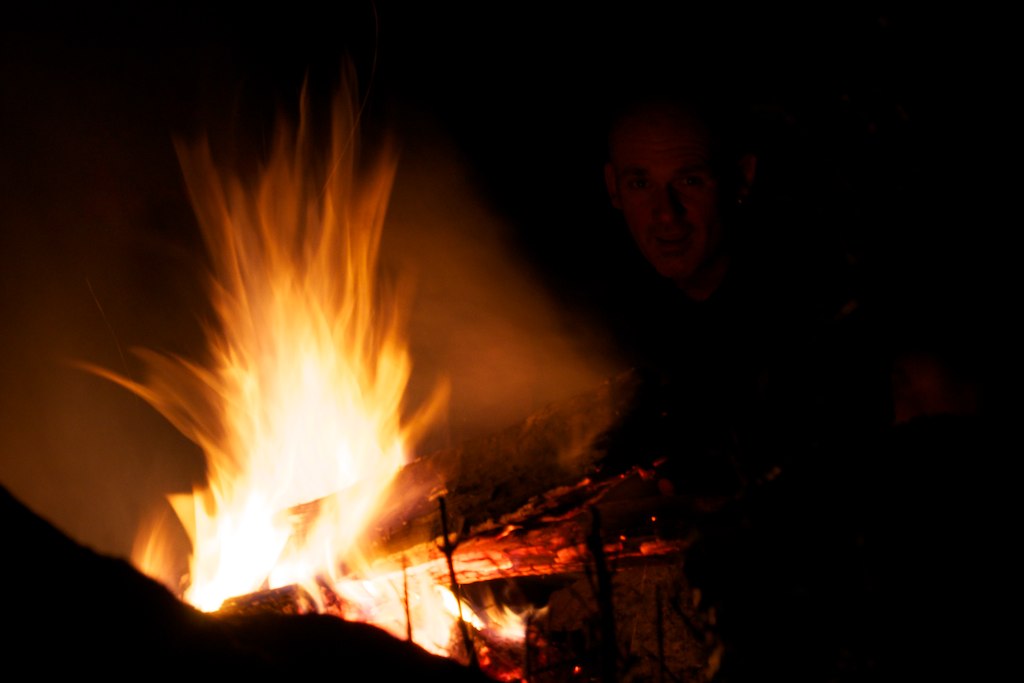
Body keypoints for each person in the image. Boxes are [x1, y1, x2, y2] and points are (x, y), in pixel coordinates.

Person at [596, 88, 896, 681]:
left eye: (689, 181)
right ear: (613, 189)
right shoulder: (626, 326)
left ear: (741, 178)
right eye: (640, 184)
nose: (665, 214)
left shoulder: (812, 309)